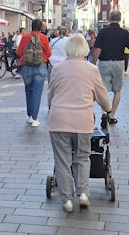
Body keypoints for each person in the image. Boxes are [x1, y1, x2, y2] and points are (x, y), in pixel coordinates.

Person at [48, 34, 112, 213]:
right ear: (85, 49)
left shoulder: (57, 69)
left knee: (62, 161)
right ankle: (83, 193)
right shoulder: (92, 70)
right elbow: (102, 95)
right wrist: (108, 109)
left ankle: (67, 200)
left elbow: (50, 95)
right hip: (83, 122)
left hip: (59, 121)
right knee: (83, 157)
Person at [91, 10, 129, 124]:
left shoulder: (103, 32)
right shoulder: (124, 33)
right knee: (117, 90)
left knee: (103, 89)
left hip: (104, 63)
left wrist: (93, 64)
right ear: (119, 19)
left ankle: (104, 113)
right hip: (118, 63)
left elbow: (97, 50)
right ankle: (112, 115)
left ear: (109, 18)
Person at [16, 19, 52, 127]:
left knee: (28, 91)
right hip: (40, 66)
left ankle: (29, 116)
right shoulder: (44, 38)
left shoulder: (25, 37)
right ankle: (35, 118)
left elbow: (18, 52)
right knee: (37, 92)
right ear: (41, 27)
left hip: (26, 67)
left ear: (31, 26)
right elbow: (49, 54)